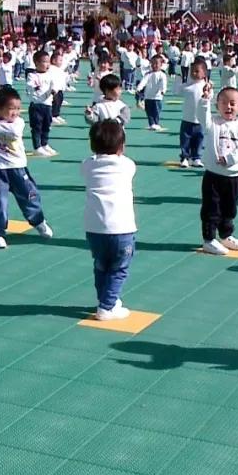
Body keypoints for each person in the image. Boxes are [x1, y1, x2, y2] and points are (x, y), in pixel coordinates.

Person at [0, 87, 53, 248]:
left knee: (30, 196)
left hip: (18, 168)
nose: (16, 112)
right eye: (12, 108)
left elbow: (14, 131)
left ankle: (38, 221)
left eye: (18, 108)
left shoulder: (17, 122)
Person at [81, 119, 137, 321]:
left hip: (94, 228)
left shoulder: (88, 165)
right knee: (119, 268)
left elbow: (89, 165)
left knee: (101, 265)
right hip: (121, 228)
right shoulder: (128, 165)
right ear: (121, 146)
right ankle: (106, 306)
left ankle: (106, 300)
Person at [198, 82, 238, 256]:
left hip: (233, 176)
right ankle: (209, 239)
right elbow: (202, 116)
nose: (228, 107)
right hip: (213, 176)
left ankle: (226, 235)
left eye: (232, 103)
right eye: (223, 103)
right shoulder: (213, 123)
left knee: (229, 208)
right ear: (217, 106)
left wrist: (230, 159)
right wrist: (205, 99)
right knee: (211, 208)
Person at [177, 60, 208, 168]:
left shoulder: (206, 86)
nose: (194, 73)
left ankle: (196, 157)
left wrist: (208, 93)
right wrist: (178, 80)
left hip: (200, 120)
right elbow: (176, 91)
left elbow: (210, 98)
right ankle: (185, 157)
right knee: (185, 140)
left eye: (197, 71)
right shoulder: (187, 86)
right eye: (192, 71)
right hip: (187, 119)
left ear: (204, 73)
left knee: (199, 139)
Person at [27, 50, 58, 157]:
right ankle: (37, 147)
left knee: (47, 125)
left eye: (48, 62)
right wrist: (35, 87)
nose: (47, 64)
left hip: (48, 104)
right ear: (36, 63)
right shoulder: (32, 75)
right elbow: (30, 85)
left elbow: (54, 85)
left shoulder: (50, 75)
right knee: (36, 127)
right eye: (44, 62)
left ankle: (45, 144)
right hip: (36, 104)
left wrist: (54, 90)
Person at [136, 55, 168, 131]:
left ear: (161, 65)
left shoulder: (162, 75)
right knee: (149, 111)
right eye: (153, 63)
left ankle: (156, 123)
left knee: (156, 111)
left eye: (157, 63)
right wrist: (139, 88)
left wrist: (163, 90)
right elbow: (143, 82)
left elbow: (163, 84)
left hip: (157, 97)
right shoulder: (148, 74)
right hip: (148, 96)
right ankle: (151, 124)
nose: (154, 65)